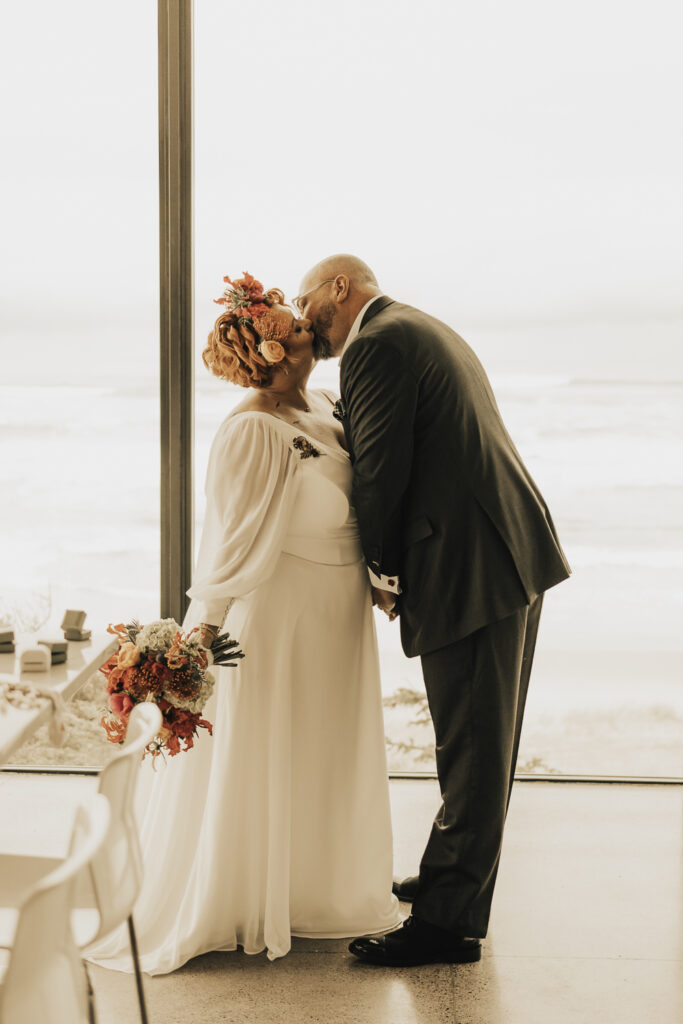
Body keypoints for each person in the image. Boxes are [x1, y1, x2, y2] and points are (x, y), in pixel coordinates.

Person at [88, 273, 400, 974]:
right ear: (273, 346)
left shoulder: (324, 404)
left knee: (325, 748)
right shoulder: (251, 431)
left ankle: (317, 889)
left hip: (335, 619)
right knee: (275, 748)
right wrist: (200, 636)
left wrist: (380, 578)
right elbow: (228, 541)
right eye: (295, 326)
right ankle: (246, 896)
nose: (309, 331)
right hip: (278, 619)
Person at [296, 255, 571, 967]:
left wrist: (380, 567)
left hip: (469, 560)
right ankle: (449, 880)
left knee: (473, 745)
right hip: (501, 546)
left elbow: (382, 469)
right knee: (481, 740)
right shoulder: (413, 327)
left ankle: (446, 926)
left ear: (338, 287)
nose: (302, 322)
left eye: (305, 303)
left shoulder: (378, 343)